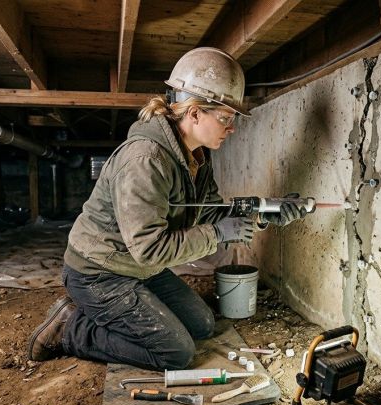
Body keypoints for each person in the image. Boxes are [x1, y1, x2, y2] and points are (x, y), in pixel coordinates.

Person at [27, 47, 306, 370]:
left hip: (138, 269)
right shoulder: (145, 161)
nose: (231, 129)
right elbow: (150, 248)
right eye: (226, 118)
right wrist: (217, 234)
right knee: (175, 352)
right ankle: (71, 328)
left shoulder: (197, 157)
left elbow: (211, 212)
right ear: (195, 113)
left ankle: (119, 312)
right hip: (100, 273)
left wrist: (265, 213)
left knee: (201, 324)